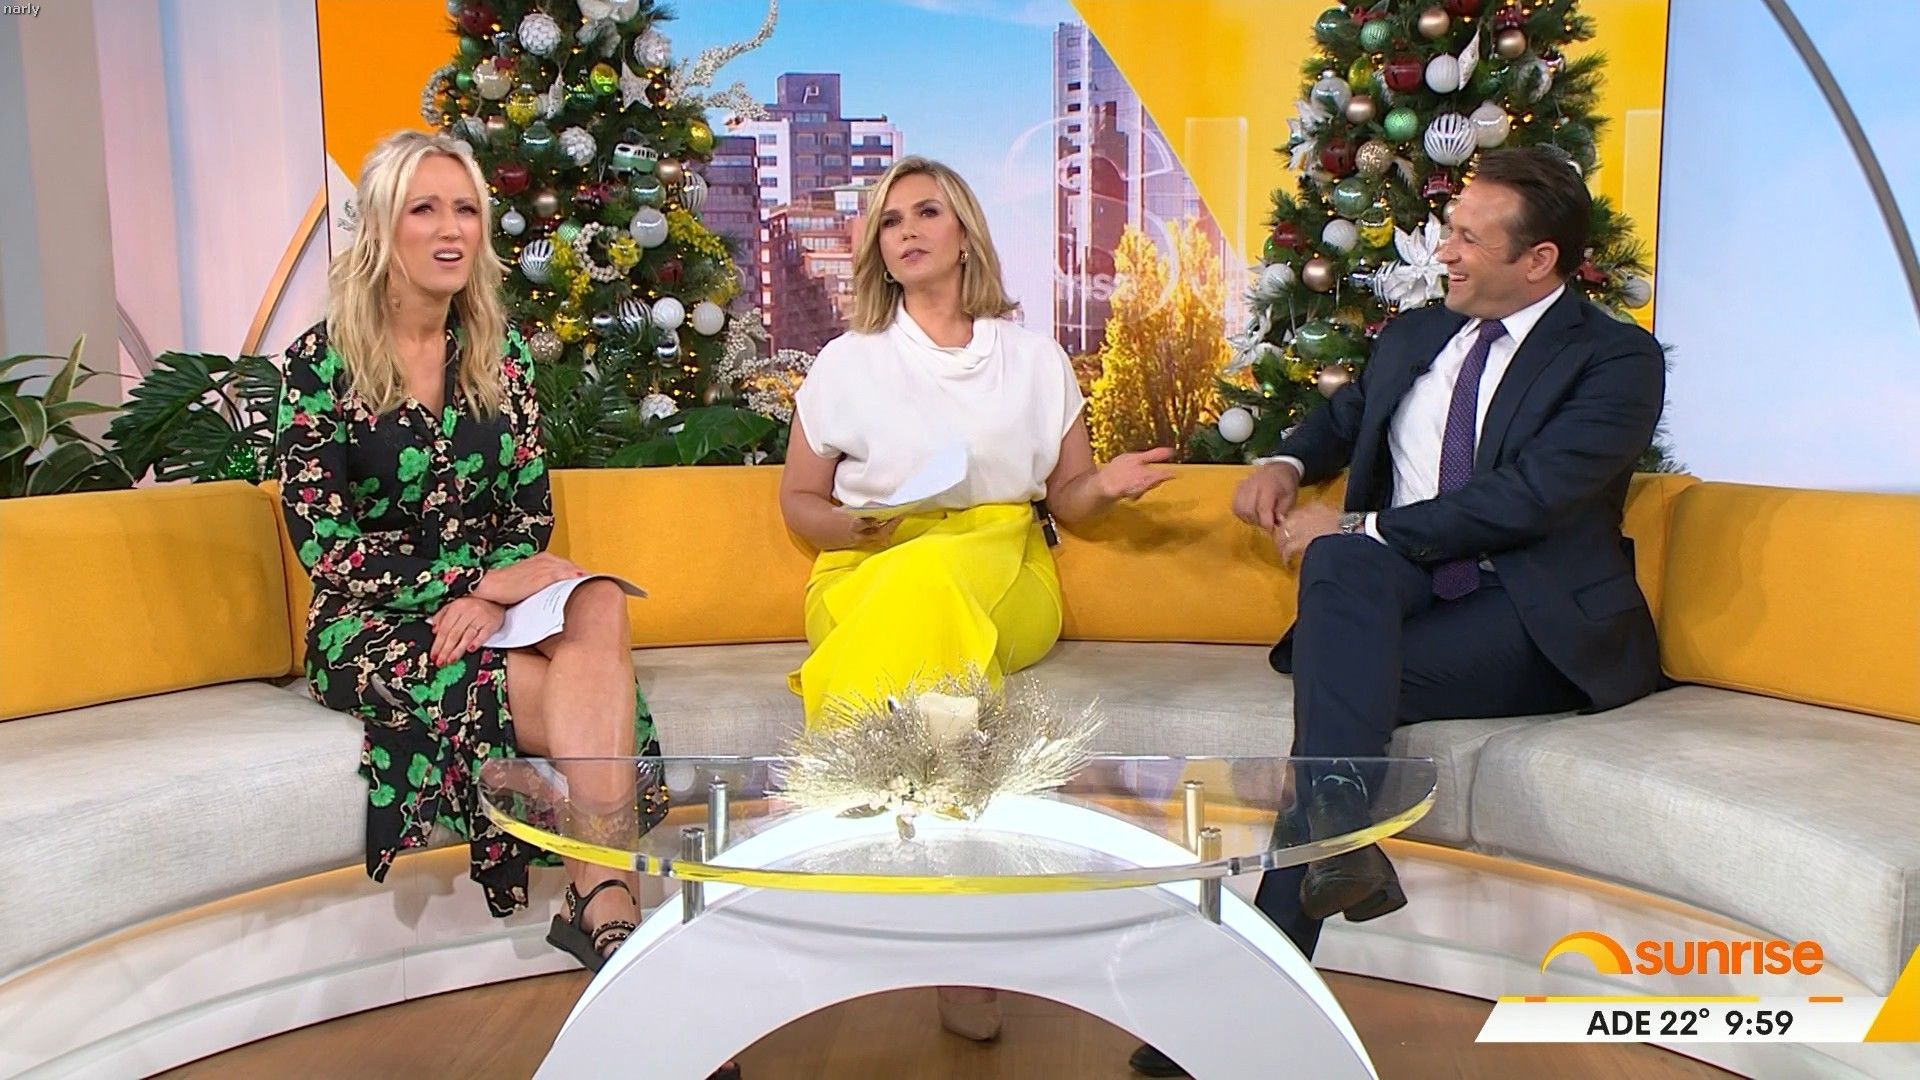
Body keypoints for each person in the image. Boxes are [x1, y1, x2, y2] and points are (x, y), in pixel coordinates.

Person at [1130, 145, 1667, 1077]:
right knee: (1343, 596)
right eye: (1448, 230)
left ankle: (1250, 993)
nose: (1443, 250)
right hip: (1405, 590)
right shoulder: (1418, 334)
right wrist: (1288, 461)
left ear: (1538, 260)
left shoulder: (1615, 360)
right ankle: (1334, 846)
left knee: (1338, 680)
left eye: (1467, 237)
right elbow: (1347, 421)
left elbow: (1530, 498)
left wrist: (1360, 523)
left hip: (1527, 616)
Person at [275, 131, 689, 1009]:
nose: (450, 228)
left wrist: (496, 593)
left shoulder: (502, 358)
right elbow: (324, 541)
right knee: (585, 691)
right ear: (382, 227)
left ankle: (601, 903)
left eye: (465, 208)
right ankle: (611, 903)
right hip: (370, 621)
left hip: (489, 602)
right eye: (424, 209)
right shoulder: (321, 363)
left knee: (599, 603)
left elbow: (528, 518)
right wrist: (463, 591)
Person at [778, 155, 1176, 1041]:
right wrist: (855, 527)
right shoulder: (847, 362)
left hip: (1006, 568)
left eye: (926, 213)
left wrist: (1104, 487)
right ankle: (959, 932)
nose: (907, 232)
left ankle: (841, 863)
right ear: (878, 250)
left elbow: (1067, 498)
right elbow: (799, 502)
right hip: (870, 564)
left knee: (937, 585)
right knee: (922, 588)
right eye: (890, 221)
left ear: (964, 234)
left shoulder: (1034, 361)